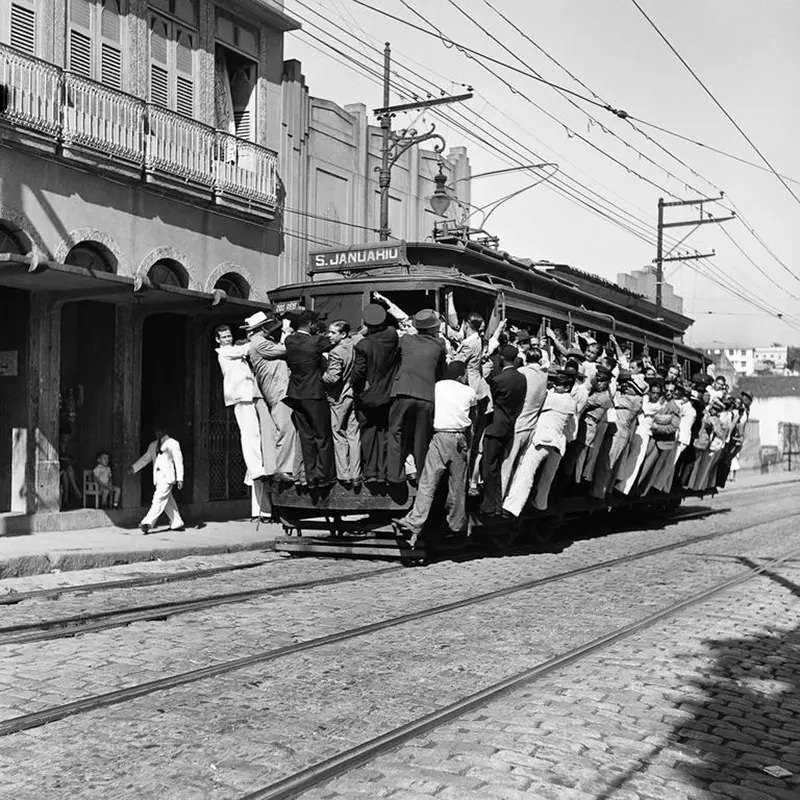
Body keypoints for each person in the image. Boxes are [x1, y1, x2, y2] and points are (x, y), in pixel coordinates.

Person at [393, 361, 477, 547]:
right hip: (459, 438)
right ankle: (456, 526)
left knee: (428, 482)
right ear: (461, 376)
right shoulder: (468, 391)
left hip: (438, 437)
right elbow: (474, 416)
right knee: (457, 485)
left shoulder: (436, 387)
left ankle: (414, 521)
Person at [503, 369, 578, 517]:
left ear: (567, 388)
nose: (554, 386)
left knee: (526, 473)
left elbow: (537, 401)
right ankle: (541, 504)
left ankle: (512, 507)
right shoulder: (571, 402)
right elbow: (570, 430)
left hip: (542, 440)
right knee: (547, 478)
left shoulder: (555, 398)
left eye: (558, 384)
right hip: (558, 444)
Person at [387, 308, 446, 484]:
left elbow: (393, 359)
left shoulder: (405, 340)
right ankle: (422, 477)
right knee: (422, 439)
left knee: (395, 432)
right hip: (427, 395)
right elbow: (441, 372)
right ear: (433, 328)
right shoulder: (439, 345)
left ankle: (395, 476)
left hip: (403, 390)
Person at [284, 310, 336, 488]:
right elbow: (332, 342)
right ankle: (324, 476)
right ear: (312, 324)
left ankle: (311, 475)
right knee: (322, 435)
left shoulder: (289, 340)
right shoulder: (316, 341)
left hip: (296, 394)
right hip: (314, 393)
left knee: (306, 436)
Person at [352, 303, 400, 484]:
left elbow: (358, 374)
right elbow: (389, 328)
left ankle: (371, 473)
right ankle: (385, 472)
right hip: (390, 393)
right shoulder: (392, 336)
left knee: (369, 434)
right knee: (386, 432)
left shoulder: (363, 345)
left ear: (366, 324)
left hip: (369, 395)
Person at [247, 312, 298, 482]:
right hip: (277, 391)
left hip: (279, 390)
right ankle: (283, 469)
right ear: (263, 327)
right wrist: (286, 332)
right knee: (286, 428)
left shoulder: (261, 341)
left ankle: (284, 467)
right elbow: (284, 349)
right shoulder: (259, 343)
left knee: (285, 428)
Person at [215, 323, 266, 483]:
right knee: (250, 433)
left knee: (253, 432)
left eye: (229, 336)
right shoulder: (225, 352)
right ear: (218, 340)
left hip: (246, 394)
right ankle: (255, 470)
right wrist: (257, 337)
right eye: (224, 337)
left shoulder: (233, 352)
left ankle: (252, 471)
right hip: (240, 396)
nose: (227, 339)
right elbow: (245, 349)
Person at [480, 343, 527, 517]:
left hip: (494, 426)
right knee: (498, 466)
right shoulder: (522, 378)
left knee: (489, 466)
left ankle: (490, 506)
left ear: (501, 358)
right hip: (509, 425)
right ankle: (495, 504)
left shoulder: (498, 380)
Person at [501, 346, 548, 495]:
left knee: (507, 463)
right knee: (519, 466)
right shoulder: (544, 375)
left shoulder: (522, 373)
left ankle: (500, 496)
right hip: (532, 425)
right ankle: (511, 499)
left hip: (518, 423)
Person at [323, 319, 361, 486]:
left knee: (339, 434)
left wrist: (319, 374)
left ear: (343, 334)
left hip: (339, 397)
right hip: (354, 394)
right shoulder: (355, 345)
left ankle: (344, 474)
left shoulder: (336, 352)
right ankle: (356, 474)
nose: (328, 335)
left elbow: (332, 378)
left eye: (332, 332)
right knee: (354, 434)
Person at [129, 423, 184, 533]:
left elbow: (178, 461)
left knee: (158, 499)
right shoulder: (153, 445)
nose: (157, 433)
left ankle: (147, 523)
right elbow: (146, 458)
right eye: (155, 431)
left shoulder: (172, 443)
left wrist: (180, 478)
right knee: (167, 501)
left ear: (164, 430)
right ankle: (177, 521)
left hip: (167, 477)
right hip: (158, 477)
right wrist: (134, 468)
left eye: (159, 430)